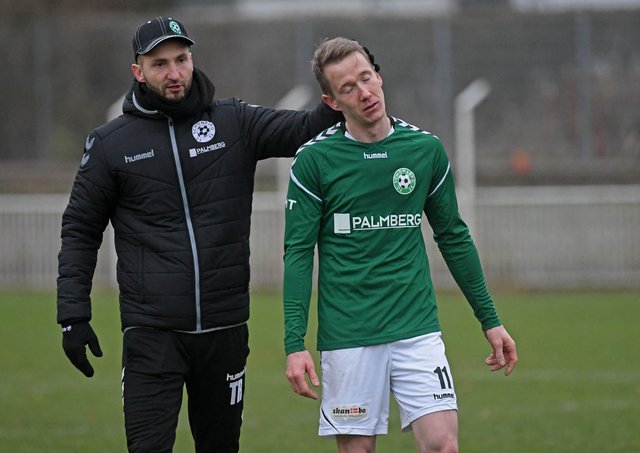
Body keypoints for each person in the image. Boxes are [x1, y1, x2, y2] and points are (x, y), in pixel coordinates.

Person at [56, 16, 342, 453]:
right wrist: (73, 315)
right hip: (152, 332)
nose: (174, 72)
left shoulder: (234, 122)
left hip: (225, 329)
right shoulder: (111, 144)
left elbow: (306, 128)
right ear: (138, 71)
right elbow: (80, 229)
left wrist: (345, 84)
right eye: (160, 64)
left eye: (182, 59)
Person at [283, 37, 518, 453]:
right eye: (348, 88)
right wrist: (294, 343)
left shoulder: (424, 150)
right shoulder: (314, 161)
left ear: (378, 76)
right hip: (348, 335)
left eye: (366, 78)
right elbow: (298, 253)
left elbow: (453, 236)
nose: (364, 93)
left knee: (444, 445)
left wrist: (490, 319)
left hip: (417, 330)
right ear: (332, 101)